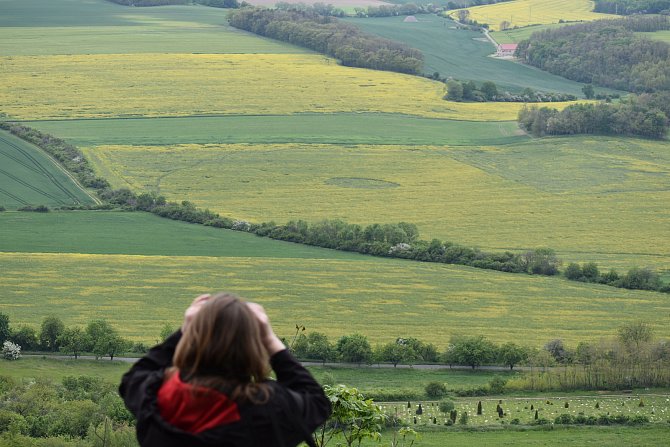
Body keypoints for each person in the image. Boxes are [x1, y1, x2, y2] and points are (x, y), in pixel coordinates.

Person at [119, 293, 331, 447]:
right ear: (252, 348)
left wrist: (185, 330)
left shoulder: (157, 396)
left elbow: (134, 377)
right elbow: (317, 402)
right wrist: (270, 339)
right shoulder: (266, 408)